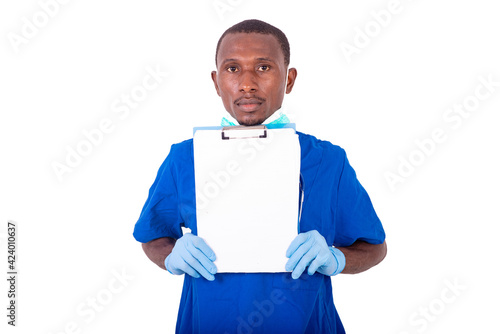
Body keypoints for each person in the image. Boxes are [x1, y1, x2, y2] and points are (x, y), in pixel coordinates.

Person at [133, 19, 387, 333]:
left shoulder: (326, 160)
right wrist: (172, 255)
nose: (247, 83)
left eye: (264, 68)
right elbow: (153, 235)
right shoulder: (186, 158)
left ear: (289, 78)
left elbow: (374, 247)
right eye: (232, 69)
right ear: (216, 81)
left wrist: (335, 258)